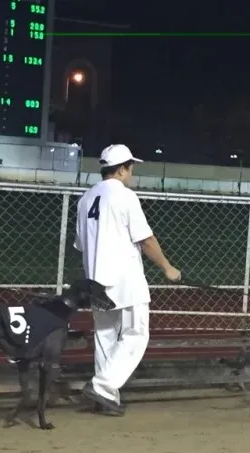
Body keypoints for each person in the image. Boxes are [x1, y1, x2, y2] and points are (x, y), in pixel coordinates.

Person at [73, 143, 181, 416]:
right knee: (136, 334)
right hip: (125, 279)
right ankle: (103, 385)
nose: (131, 173)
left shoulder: (85, 199)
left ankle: (107, 396)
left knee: (106, 337)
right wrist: (168, 268)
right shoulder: (125, 196)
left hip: (95, 280)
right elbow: (145, 239)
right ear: (121, 169)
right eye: (130, 168)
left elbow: (81, 244)